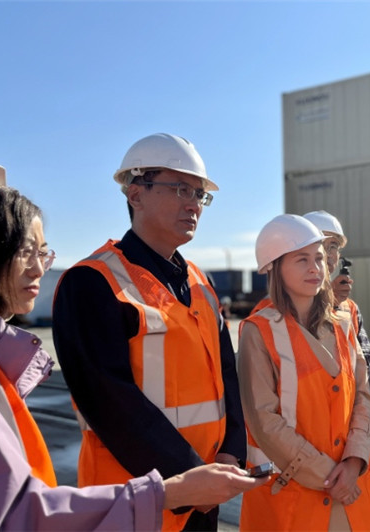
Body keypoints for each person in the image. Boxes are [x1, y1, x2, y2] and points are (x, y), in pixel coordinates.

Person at [0, 165, 264, 530]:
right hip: (136, 499)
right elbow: (16, 513)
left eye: (43, 252)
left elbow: (224, 373)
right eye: (24, 251)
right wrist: (178, 487)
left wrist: (225, 457)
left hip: (187, 492)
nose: (39, 269)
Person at [52, 133, 247, 531]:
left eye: (200, 194)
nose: (194, 204)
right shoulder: (92, 282)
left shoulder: (201, 282)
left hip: (204, 494)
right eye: (180, 189)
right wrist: (189, 478)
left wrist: (231, 451)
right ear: (135, 194)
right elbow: (110, 402)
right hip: (135, 502)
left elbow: (227, 372)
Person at [237, 214, 370, 531]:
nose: (316, 267)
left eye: (318, 257)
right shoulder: (258, 331)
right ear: (275, 267)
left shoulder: (344, 322)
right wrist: (330, 475)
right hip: (293, 497)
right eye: (302, 260)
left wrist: (355, 459)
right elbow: (264, 421)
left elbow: (362, 396)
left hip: (350, 491)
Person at [303, 211, 370, 371]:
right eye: (320, 244)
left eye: (333, 246)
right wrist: (327, 302)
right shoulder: (282, 304)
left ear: (339, 255)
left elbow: (364, 359)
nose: (327, 254)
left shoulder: (349, 308)